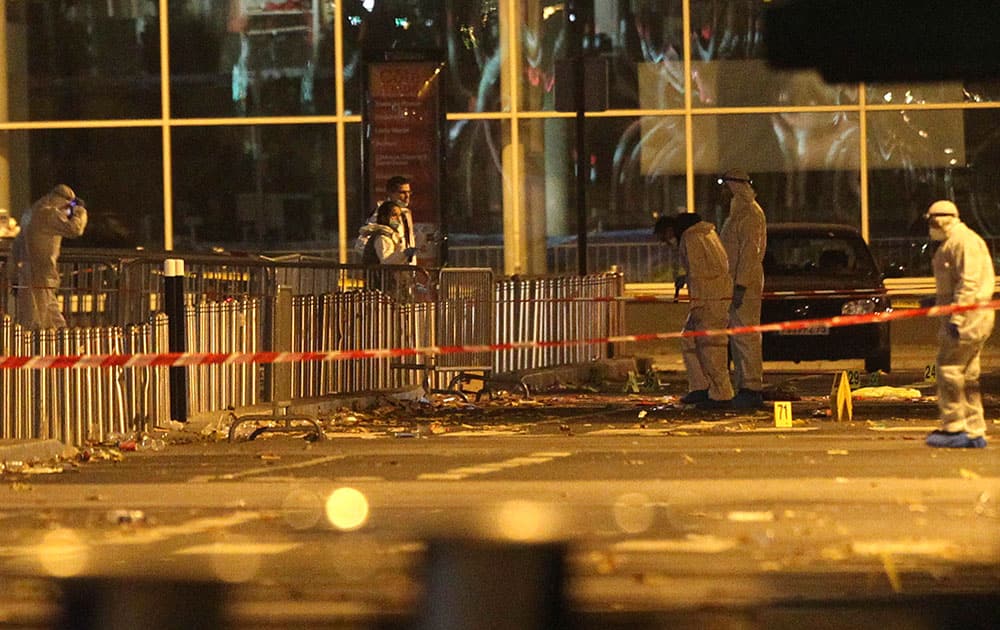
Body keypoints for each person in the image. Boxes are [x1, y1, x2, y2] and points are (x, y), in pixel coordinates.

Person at [922, 200, 995, 448]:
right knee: (969, 375)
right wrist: (937, 300)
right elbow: (955, 283)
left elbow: (969, 284)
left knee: (949, 369)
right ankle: (974, 428)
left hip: (968, 318)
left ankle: (955, 426)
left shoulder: (963, 242)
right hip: (971, 316)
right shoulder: (955, 243)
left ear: (940, 220)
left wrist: (957, 319)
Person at [654, 212, 734, 409]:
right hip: (715, 296)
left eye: (665, 238)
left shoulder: (691, 238)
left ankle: (720, 394)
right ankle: (700, 387)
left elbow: (699, 273)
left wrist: (696, 301)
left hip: (707, 300)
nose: (667, 243)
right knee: (689, 338)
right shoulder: (706, 233)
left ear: (670, 230)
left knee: (711, 347)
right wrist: (686, 279)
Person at [718, 168, 767, 408]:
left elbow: (749, 253)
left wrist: (740, 286)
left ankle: (751, 386)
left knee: (746, 335)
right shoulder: (738, 213)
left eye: (725, 186)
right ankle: (744, 385)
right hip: (735, 282)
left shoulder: (750, 214)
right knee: (738, 337)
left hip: (744, 284)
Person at [8, 184, 88, 330]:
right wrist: (79, 212)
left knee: (47, 315)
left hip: (27, 272)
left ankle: (64, 346)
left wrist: (12, 275)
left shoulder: (30, 213)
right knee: (40, 320)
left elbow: (16, 247)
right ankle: (52, 348)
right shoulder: (48, 214)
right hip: (42, 273)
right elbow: (75, 229)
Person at [359, 200, 418, 292]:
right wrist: (404, 254)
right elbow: (386, 261)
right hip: (381, 285)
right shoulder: (382, 237)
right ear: (383, 218)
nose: (398, 219)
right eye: (394, 215)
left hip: (389, 283)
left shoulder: (393, 235)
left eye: (400, 216)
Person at [357, 176, 417, 264]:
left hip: (406, 269)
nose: (407, 196)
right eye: (402, 192)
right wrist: (376, 259)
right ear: (390, 193)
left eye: (409, 192)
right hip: (389, 270)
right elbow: (361, 242)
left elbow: (406, 240)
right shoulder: (383, 212)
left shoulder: (406, 213)